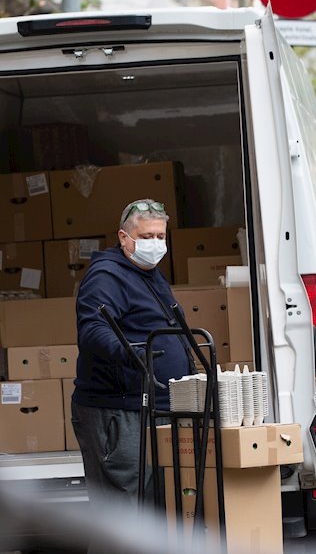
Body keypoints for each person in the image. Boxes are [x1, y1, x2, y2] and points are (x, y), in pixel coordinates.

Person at [72, 198, 191, 510]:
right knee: (125, 511)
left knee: (156, 508)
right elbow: (93, 329)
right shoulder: (107, 276)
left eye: (160, 237)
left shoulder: (148, 272)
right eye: (147, 237)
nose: (155, 244)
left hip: (155, 408)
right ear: (124, 238)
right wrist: (131, 355)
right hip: (121, 411)